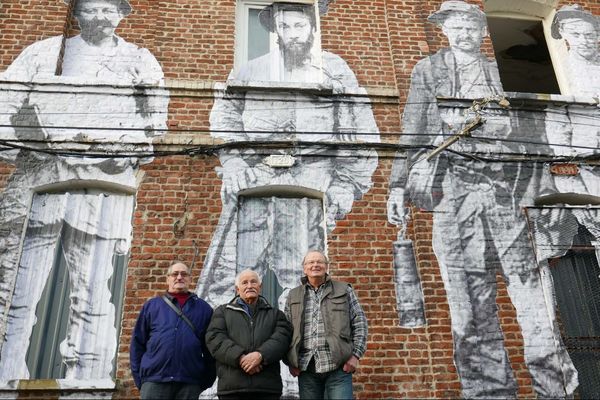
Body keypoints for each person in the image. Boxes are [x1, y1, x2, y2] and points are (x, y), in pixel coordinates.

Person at [387, 1, 577, 398]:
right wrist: (396, 184)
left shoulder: (501, 70)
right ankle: (488, 392)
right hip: (453, 196)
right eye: (455, 27)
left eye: (471, 27)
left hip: (507, 193)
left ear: (483, 32)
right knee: (468, 299)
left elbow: (534, 131)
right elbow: (413, 127)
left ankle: (555, 387)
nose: (463, 34)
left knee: (531, 292)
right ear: (445, 31)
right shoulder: (429, 71)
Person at [0, 0, 168, 382]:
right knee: (16, 295)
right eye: (90, 9)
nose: (100, 17)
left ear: (122, 15)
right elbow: (5, 108)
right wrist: (45, 141)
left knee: (93, 295)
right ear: (75, 14)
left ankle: (88, 377)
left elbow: (154, 127)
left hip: (102, 197)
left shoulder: (138, 60)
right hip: (37, 192)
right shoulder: (43, 53)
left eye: (109, 10)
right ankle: (7, 373)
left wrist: (109, 148)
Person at [197, 1, 379, 312]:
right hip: (254, 184)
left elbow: (362, 135)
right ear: (276, 31)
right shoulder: (251, 69)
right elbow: (225, 116)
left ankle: (303, 356)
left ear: (312, 28)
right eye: (285, 27)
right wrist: (236, 163)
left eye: (299, 26)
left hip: (311, 189)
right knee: (225, 284)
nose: (292, 34)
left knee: (306, 289)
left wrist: (345, 188)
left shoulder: (335, 71)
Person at [285, 250, 367, 399]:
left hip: (339, 367)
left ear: (326, 266)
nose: (315, 265)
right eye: (311, 262)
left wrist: (355, 356)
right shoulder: (293, 295)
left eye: (319, 262)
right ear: (304, 268)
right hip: (306, 368)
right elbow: (286, 330)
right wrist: (290, 361)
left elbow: (359, 322)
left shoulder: (344, 290)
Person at [130, 262, 216, 399]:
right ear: (168, 278)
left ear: (190, 279)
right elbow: (137, 344)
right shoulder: (152, 306)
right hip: (155, 381)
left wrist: (205, 380)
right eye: (175, 274)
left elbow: (210, 349)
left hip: (189, 383)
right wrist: (140, 378)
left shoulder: (204, 309)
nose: (179, 277)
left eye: (184, 274)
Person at [206, 269, 292, 399]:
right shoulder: (222, 312)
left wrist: (260, 356)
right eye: (244, 282)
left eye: (253, 282)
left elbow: (282, 340)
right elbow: (215, 339)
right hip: (232, 388)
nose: (249, 286)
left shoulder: (275, 314)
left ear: (260, 287)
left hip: (267, 388)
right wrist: (240, 358)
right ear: (237, 289)